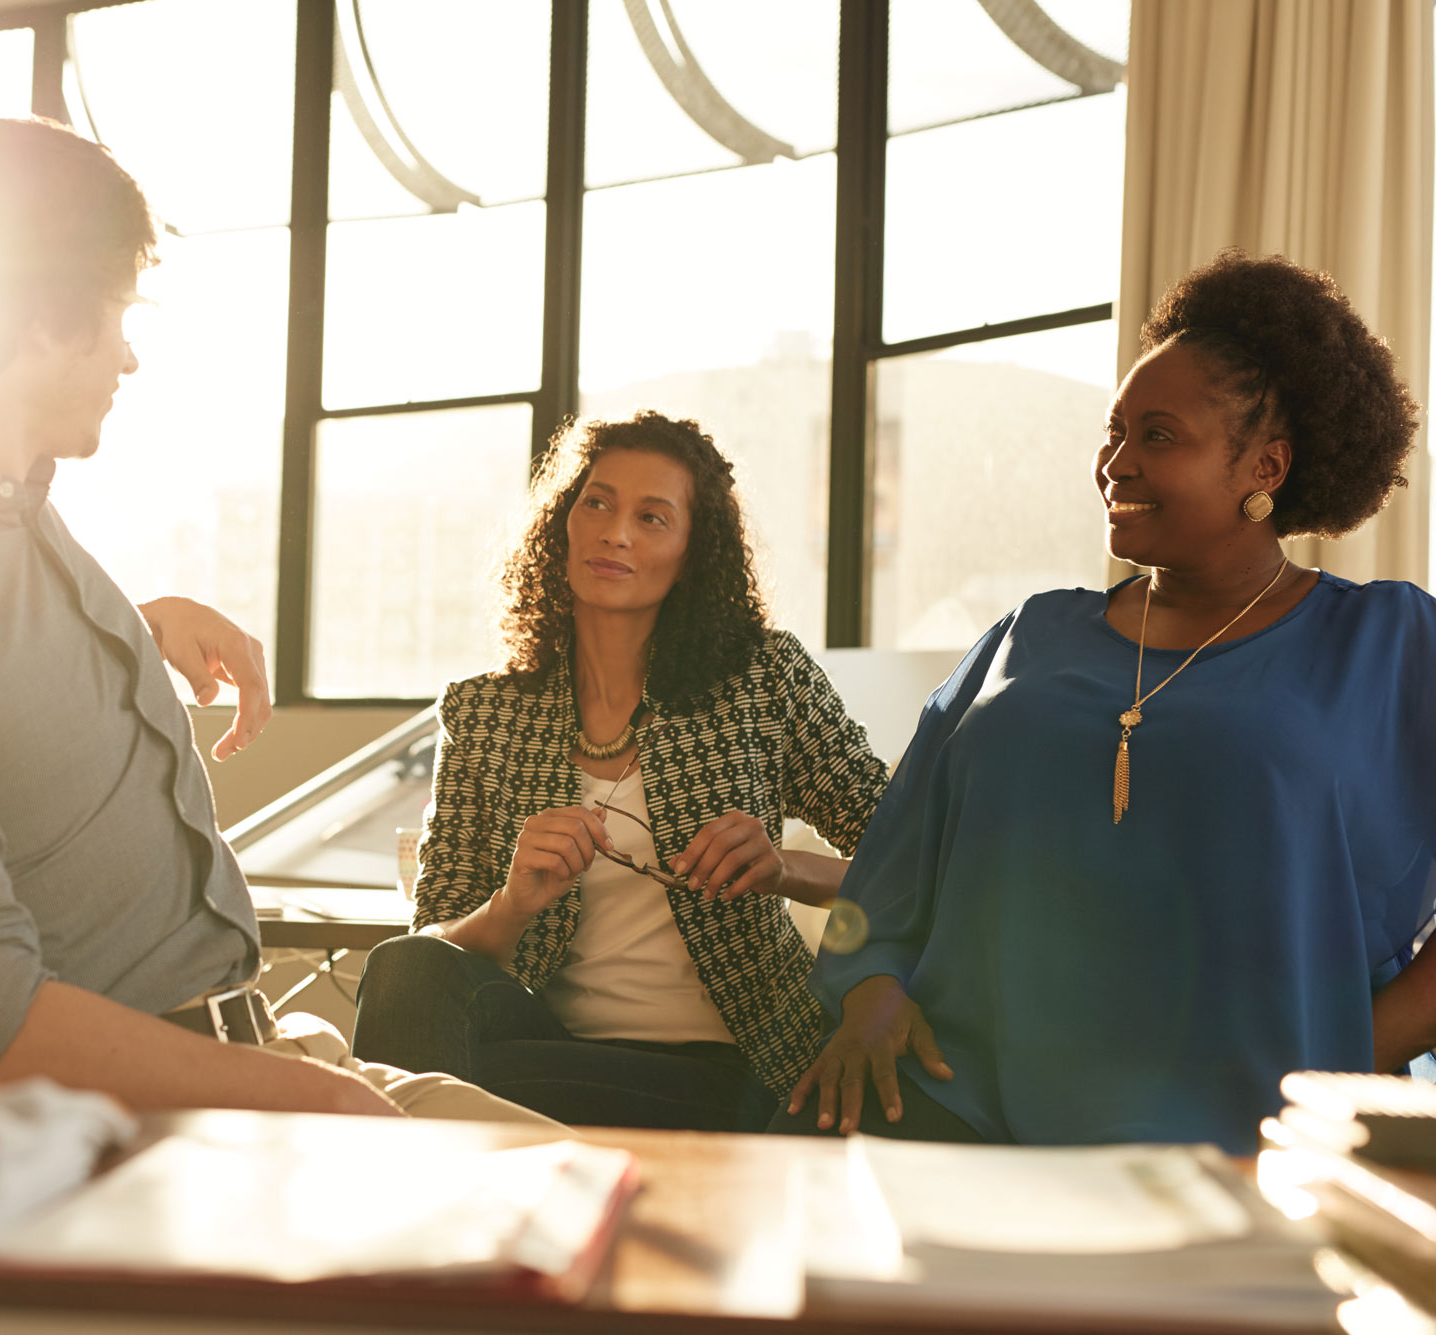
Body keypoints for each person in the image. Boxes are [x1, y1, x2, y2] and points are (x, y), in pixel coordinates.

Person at [0, 117, 549, 1125]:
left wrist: (121, 631)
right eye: (118, 312)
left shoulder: (6, 518)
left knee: (647, 1206)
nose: (128, 357)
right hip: (144, 1120)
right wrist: (315, 1103)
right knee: (633, 1258)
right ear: (43, 314)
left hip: (257, 1053)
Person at [779, 251, 1436, 1154]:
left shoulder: (1390, 646)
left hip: (1262, 1149)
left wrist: (1343, 1060)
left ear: (1266, 464)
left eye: (1158, 436)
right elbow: (890, 879)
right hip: (964, 1115)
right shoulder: (1027, 635)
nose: (1113, 462)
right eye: (1113, 429)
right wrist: (870, 994)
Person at [350, 412, 891, 1129]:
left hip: (729, 1066)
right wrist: (514, 902)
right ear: (562, 522)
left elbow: (910, 857)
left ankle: (411, 1194)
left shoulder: (762, 678)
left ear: (693, 553)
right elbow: (434, 939)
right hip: (546, 1039)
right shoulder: (485, 712)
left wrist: (784, 868)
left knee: (428, 1092)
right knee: (402, 967)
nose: (616, 533)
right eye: (597, 502)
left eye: (652, 516)